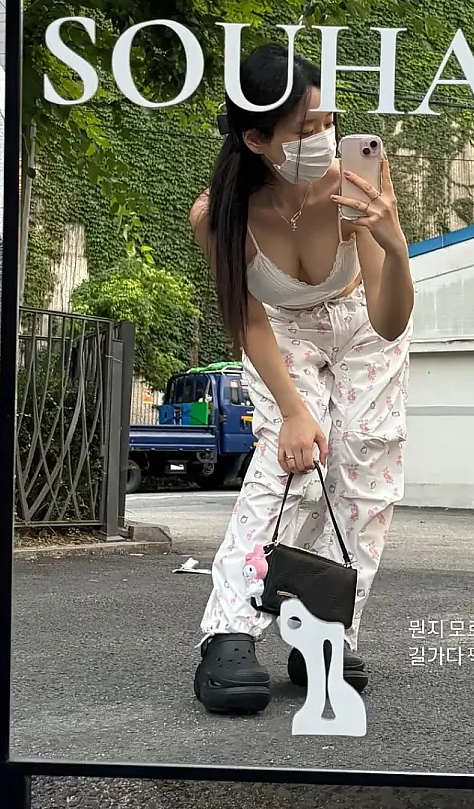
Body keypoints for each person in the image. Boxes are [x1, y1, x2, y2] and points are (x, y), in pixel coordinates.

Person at [190, 43, 414, 715]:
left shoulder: (353, 189)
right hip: (283, 332)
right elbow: (249, 320)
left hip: (362, 323)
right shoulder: (219, 215)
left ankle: (325, 628)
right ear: (256, 139)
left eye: (326, 121)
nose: (322, 137)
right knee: (289, 465)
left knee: (366, 473)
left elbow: (390, 321)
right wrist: (292, 411)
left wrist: (394, 242)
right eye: (303, 128)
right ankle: (230, 629)